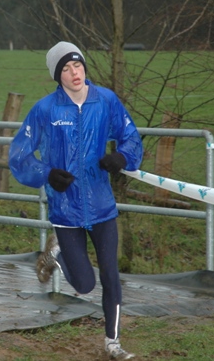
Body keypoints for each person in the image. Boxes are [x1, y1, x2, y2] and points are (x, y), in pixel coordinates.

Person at [9, 41, 143, 360]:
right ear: (58, 76)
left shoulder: (105, 101)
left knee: (110, 274)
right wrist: (46, 173)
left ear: (84, 67)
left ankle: (113, 343)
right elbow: (19, 155)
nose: (74, 73)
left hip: (101, 205)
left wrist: (122, 158)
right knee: (84, 284)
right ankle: (56, 250)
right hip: (65, 208)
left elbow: (131, 138)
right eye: (66, 69)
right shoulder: (46, 109)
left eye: (78, 65)